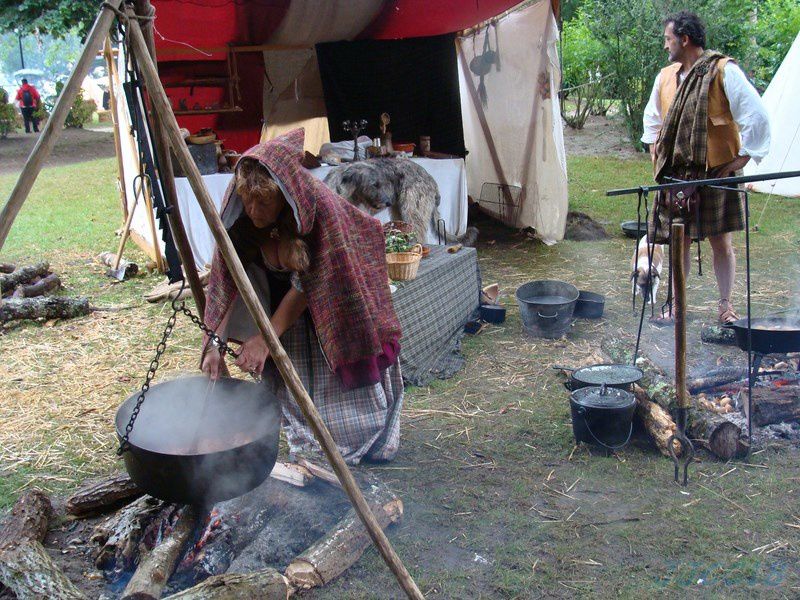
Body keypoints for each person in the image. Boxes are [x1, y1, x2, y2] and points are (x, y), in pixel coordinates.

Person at [200, 128, 404, 465]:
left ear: (283, 194)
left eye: (263, 201)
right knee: (292, 381)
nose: (253, 209)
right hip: (283, 301)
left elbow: (308, 286)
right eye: (248, 199)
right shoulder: (241, 215)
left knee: (339, 398)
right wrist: (214, 344)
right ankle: (308, 438)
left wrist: (265, 339)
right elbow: (227, 279)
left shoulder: (316, 210)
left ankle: (353, 438)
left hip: (334, 292)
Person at [642, 11, 770, 325]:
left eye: (668, 39)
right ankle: (678, 304)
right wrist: (656, 158)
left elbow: (757, 116)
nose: (665, 46)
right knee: (677, 240)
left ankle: (726, 306)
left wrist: (741, 159)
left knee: (721, 242)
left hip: (715, 170)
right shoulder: (665, 77)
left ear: (684, 40)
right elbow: (652, 123)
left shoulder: (722, 71)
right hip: (677, 174)